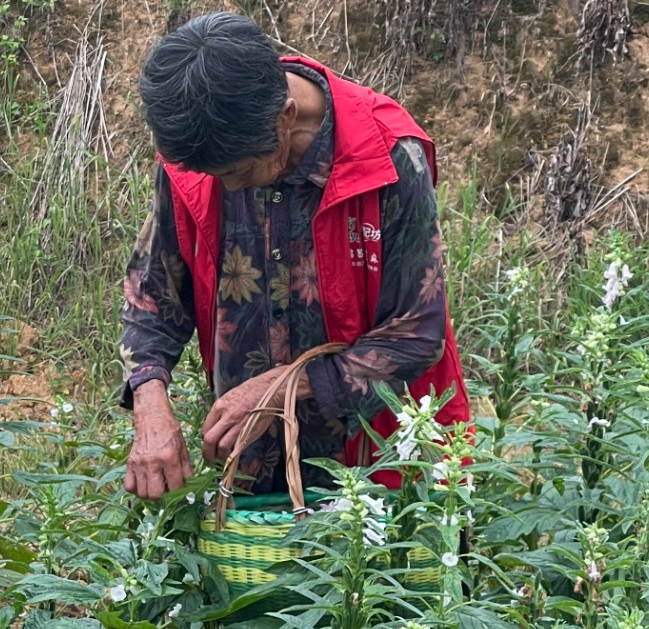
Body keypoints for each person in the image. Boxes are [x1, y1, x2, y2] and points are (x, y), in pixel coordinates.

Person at [121, 13, 473, 501]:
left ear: (284, 117)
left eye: (240, 172)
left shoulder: (387, 157)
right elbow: (152, 297)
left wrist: (285, 385)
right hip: (249, 469)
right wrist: (150, 403)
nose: (226, 187)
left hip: (381, 460)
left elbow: (417, 334)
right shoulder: (202, 155)